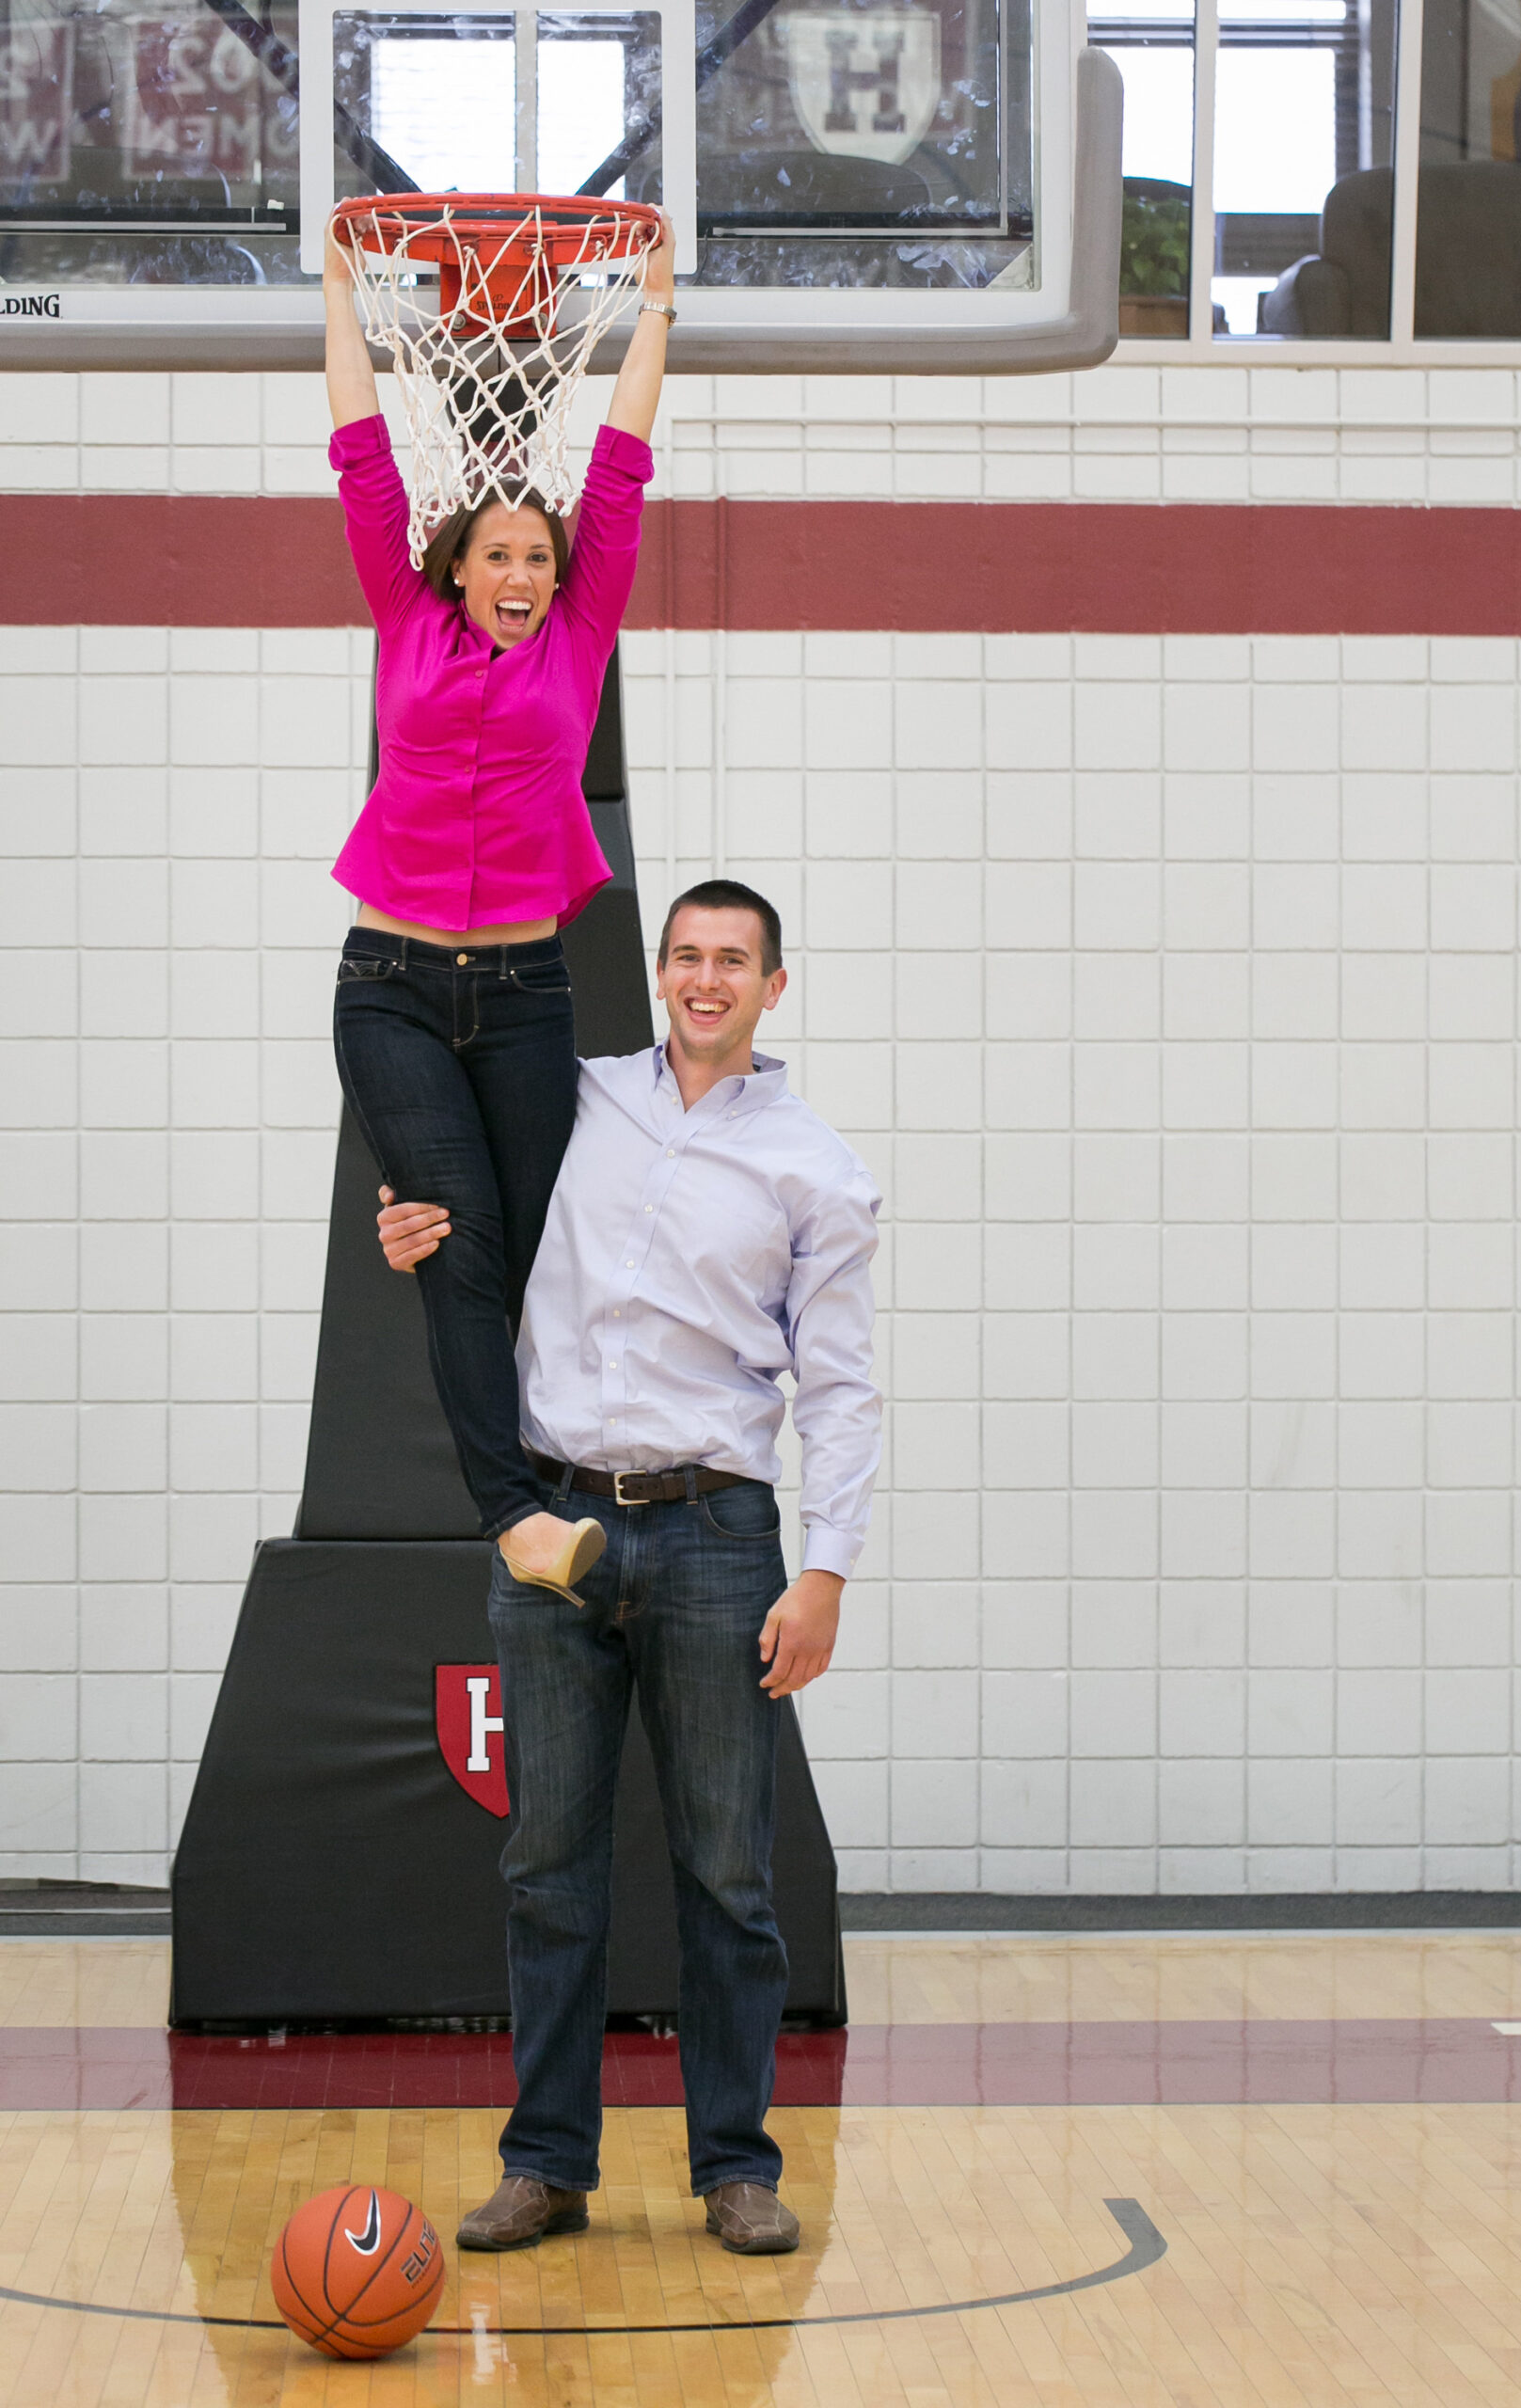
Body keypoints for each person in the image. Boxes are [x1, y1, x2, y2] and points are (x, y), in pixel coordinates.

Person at [375, 880, 881, 2257]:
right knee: (548, 1865)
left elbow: (840, 1390)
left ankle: (736, 2166)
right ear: (658, 974)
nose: (706, 979)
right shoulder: (580, 1098)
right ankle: (547, 2164)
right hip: (555, 1525)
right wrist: (406, 1220)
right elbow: (458, 1209)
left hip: (719, 1535)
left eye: (734, 961)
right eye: (686, 956)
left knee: (727, 1872)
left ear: (776, 987)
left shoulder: (818, 1169)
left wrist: (825, 1571)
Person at [321, 208, 677, 1599]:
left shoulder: (583, 630)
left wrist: (654, 313)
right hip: (392, 985)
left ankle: (567, 1474)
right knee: (459, 1241)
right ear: (457, 567)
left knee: (514, 1253)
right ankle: (515, 1518)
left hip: (527, 992)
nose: (526, 574)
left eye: (541, 557)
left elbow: (622, 468)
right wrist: (339, 301)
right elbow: (362, 450)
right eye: (503, 556)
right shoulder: (403, 618)